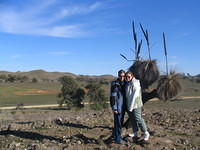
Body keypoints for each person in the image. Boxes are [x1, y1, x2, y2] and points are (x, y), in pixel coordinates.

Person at [125, 71, 150, 141]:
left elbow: (134, 96)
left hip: (135, 104)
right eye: (126, 77)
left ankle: (146, 133)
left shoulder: (135, 83)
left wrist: (131, 106)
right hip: (129, 104)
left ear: (132, 76)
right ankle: (135, 133)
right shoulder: (128, 83)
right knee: (132, 119)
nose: (127, 78)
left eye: (129, 76)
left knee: (138, 119)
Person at [110, 69, 126, 144]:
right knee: (118, 124)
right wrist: (114, 108)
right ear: (118, 75)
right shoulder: (115, 84)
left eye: (123, 76)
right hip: (118, 108)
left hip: (123, 107)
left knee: (120, 123)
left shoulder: (125, 83)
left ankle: (117, 137)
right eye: (120, 76)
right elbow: (112, 97)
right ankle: (118, 140)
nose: (122, 77)